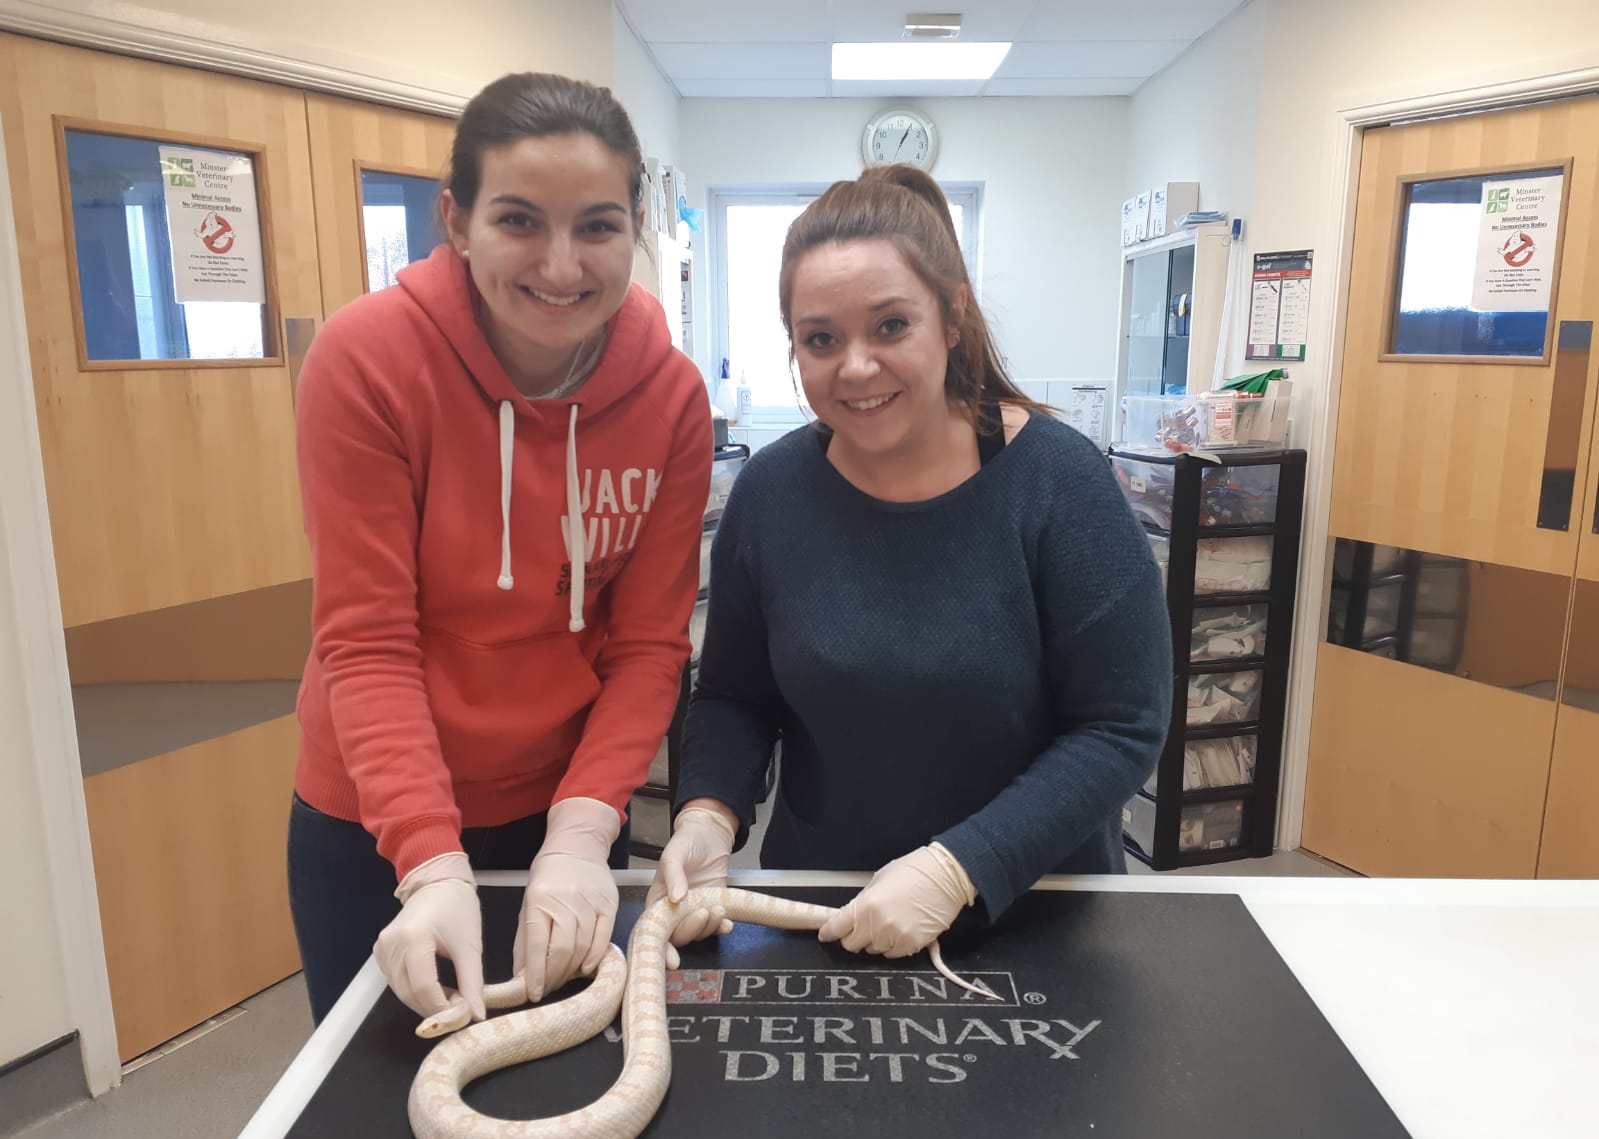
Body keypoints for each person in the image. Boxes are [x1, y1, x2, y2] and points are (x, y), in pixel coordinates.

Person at [648, 164, 1170, 963]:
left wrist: (960, 867)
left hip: (1035, 914)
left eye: (889, 326)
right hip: (824, 912)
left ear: (951, 317)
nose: (854, 366)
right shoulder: (774, 492)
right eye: (820, 339)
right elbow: (735, 697)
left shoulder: (1059, 485)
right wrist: (706, 815)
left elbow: (1120, 725)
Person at [288, 72, 711, 1026]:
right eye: (520, 220)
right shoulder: (368, 364)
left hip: (566, 805)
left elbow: (648, 645)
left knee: (565, 1076)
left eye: (598, 226)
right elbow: (366, 641)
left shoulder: (670, 397)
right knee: (380, 1118)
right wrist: (430, 858)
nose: (561, 266)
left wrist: (580, 834)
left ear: (635, 226)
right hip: (375, 817)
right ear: (456, 218)